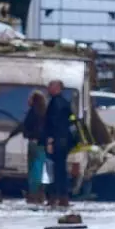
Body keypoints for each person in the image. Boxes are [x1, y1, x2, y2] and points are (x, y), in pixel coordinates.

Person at [4, 90, 47, 205]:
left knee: (33, 170)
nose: (28, 100)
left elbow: (23, 126)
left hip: (33, 143)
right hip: (43, 145)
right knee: (40, 169)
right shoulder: (45, 112)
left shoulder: (33, 112)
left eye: (30, 98)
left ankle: (34, 194)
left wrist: (10, 136)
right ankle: (40, 194)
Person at [43, 80, 75, 208]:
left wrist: (50, 140)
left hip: (57, 141)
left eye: (50, 86)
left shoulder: (55, 103)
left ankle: (56, 197)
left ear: (57, 88)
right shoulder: (65, 103)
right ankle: (62, 196)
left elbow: (53, 123)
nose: (48, 88)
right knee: (61, 170)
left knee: (55, 171)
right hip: (64, 141)